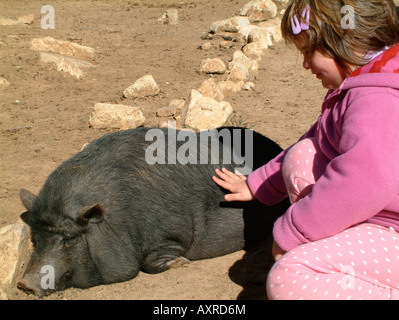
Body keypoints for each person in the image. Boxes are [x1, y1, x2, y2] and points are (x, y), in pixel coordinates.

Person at [213, 0, 399, 300]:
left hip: (392, 230)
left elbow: (363, 181)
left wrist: (293, 231)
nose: (305, 65)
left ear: (344, 41)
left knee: (288, 278)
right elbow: (320, 137)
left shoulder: (378, 99)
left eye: (308, 52)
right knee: (304, 154)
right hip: (382, 214)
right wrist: (258, 183)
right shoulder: (364, 81)